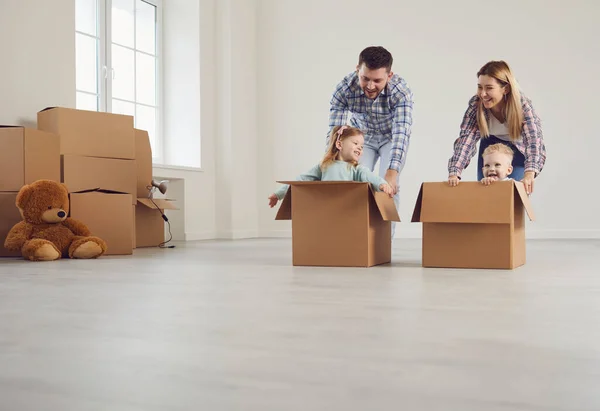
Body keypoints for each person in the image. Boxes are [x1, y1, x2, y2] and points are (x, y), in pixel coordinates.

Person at [327, 46, 414, 235]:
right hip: (362, 138)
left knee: (387, 187)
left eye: (377, 80)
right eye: (365, 78)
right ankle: (355, 238)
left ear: (389, 76)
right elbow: (336, 131)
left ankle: (384, 243)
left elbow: (401, 132)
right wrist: (331, 162)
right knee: (354, 183)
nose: (370, 86)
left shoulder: (401, 91)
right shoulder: (344, 89)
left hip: (390, 138)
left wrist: (392, 172)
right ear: (358, 69)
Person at [447, 60, 546, 195]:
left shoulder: (522, 105)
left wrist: (529, 173)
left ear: (505, 89)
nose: (482, 94)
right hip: (491, 144)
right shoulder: (476, 104)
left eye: (489, 88)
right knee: (487, 192)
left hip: (518, 148)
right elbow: (466, 139)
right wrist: (455, 172)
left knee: (513, 194)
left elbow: (534, 141)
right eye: (480, 87)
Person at [268, 126, 393, 207]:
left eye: (361, 146)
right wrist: (279, 194)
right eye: (355, 143)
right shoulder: (324, 166)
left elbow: (370, 176)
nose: (360, 148)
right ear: (339, 144)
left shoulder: (356, 169)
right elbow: (301, 179)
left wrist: (382, 184)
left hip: (347, 210)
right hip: (326, 208)